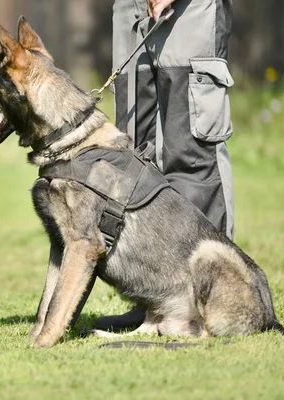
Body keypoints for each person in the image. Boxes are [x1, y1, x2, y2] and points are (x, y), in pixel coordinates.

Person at [93, 0, 236, 331]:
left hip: (189, 9)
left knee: (190, 154)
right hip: (131, 8)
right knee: (136, 159)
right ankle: (156, 303)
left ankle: (213, 298)